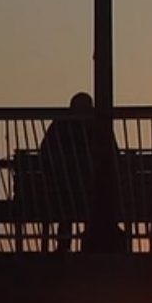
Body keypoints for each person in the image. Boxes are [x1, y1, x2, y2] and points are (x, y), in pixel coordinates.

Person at [34, 93, 98, 252]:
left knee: (67, 200)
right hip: (87, 191)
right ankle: (90, 241)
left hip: (58, 191)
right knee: (90, 197)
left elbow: (44, 153)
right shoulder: (97, 127)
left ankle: (63, 244)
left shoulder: (59, 126)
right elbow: (112, 155)